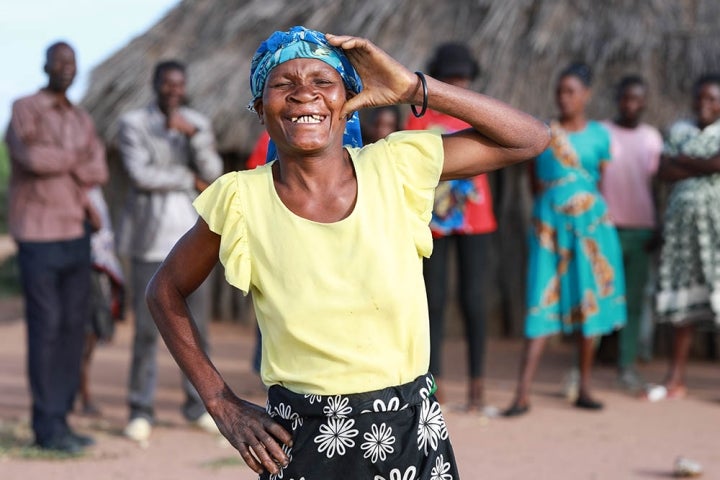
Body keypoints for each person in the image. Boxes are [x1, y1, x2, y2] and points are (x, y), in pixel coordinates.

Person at [146, 26, 549, 478]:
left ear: (348, 100)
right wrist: (220, 401)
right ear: (260, 108)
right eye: (283, 84)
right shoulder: (240, 199)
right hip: (301, 442)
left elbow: (529, 138)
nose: (304, 95)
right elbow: (164, 291)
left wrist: (414, 88)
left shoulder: (396, 167)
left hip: (409, 435)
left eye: (322, 82)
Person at [503, 62, 626, 417]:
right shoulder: (542, 132)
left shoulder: (601, 136)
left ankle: (584, 388)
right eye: (560, 91)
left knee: (588, 301)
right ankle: (521, 393)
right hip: (549, 228)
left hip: (591, 228)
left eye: (571, 91)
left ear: (586, 95)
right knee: (540, 299)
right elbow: (534, 180)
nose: (564, 98)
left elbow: (598, 184)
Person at [4, 41, 108, 453]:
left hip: (76, 233)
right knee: (45, 328)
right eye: (59, 62)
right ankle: (45, 426)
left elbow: (98, 168)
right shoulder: (23, 108)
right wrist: (73, 160)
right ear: (45, 65)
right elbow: (30, 157)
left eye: (72, 63)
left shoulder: (82, 118)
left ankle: (61, 420)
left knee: (70, 330)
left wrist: (64, 160)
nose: (66, 68)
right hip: (37, 233)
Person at [116, 59, 223, 442]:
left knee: (199, 331)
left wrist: (193, 138)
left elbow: (213, 175)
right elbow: (140, 174)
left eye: (179, 84)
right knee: (147, 332)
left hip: (195, 242)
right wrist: (185, 177)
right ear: (155, 84)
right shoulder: (133, 124)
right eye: (166, 84)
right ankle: (139, 409)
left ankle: (199, 405)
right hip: (149, 240)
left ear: (185, 86)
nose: (173, 91)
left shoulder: (197, 123)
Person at [404, 43, 497, 411]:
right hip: (434, 218)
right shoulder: (420, 115)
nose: (459, 81)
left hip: (475, 217)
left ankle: (477, 385)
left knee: (475, 300)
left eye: (463, 76)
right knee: (434, 301)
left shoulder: (481, 111)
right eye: (452, 76)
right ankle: (434, 385)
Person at [649, 73, 720, 401]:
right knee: (683, 307)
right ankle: (675, 378)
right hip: (682, 235)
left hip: (715, 234)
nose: (704, 104)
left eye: (712, 99)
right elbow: (663, 171)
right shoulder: (678, 130)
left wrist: (685, 160)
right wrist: (704, 165)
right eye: (700, 98)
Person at [600, 75, 663, 393]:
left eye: (636, 99)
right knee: (599, 298)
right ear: (618, 100)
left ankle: (627, 365)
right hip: (607, 230)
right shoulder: (603, 133)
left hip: (641, 230)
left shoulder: (652, 138)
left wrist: (658, 224)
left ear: (644, 103)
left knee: (635, 302)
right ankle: (582, 365)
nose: (630, 105)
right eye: (625, 98)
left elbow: (657, 185)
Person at [77, 186, 125, 416]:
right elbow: (96, 224)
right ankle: (79, 395)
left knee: (90, 336)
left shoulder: (93, 189)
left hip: (96, 268)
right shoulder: (78, 188)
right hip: (78, 268)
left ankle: (79, 393)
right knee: (81, 336)